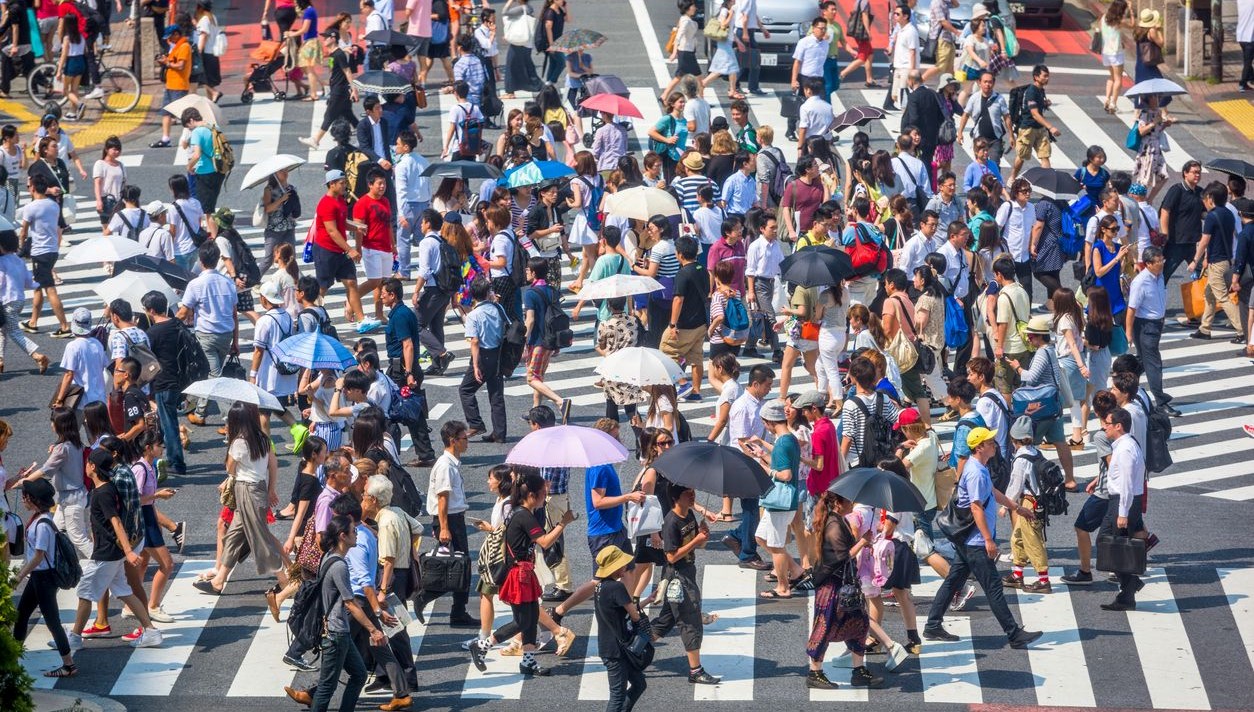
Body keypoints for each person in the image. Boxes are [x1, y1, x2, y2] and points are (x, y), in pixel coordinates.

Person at [922, 427, 1041, 648]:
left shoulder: (979, 467)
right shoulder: (976, 471)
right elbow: (976, 508)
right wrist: (988, 540)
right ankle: (1013, 634)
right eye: (990, 442)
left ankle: (932, 625)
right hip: (975, 542)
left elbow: (992, 492)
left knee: (953, 581)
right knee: (993, 586)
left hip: (968, 541)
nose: (994, 444)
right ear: (980, 447)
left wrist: (1016, 507)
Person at [468, 468, 574, 677]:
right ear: (532, 495)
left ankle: (528, 661)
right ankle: (483, 645)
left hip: (522, 571)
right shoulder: (524, 516)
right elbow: (544, 542)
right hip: (518, 574)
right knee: (523, 621)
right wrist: (564, 522)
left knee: (532, 615)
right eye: (543, 494)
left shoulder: (523, 511)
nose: (546, 497)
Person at [65, 449, 164, 651]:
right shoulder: (106, 489)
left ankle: (74, 637)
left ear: (93, 467)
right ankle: (151, 631)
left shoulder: (103, 493)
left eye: (87, 462)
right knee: (124, 592)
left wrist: (128, 550)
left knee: (85, 593)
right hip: (113, 552)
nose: (85, 465)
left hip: (107, 553)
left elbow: (116, 522)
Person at [805, 490, 885, 689]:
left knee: (861, 624)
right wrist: (863, 542)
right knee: (824, 627)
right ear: (838, 504)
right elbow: (840, 557)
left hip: (845, 584)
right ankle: (815, 673)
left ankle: (858, 671)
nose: (852, 503)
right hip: (831, 586)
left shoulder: (838, 520)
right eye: (848, 500)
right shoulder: (833, 524)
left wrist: (864, 542)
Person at [651, 481, 722, 685]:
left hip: (688, 573)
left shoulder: (689, 515)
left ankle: (633, 648)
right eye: (688, 493)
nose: (692, 496)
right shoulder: (671, 522)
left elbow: (697, 545)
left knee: (666, 620)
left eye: (693, 492)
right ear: (676, 498)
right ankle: (695, 670)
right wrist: (696, 540)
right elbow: (671, 556)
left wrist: (703, 535)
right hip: (678, 579)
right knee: (690, 621)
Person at [306, 514, 375, 712]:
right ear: (343, 536)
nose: (357, 535)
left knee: (359, 674)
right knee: (327, 686)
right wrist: (373, 630)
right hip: (335, 633)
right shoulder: (339, 566)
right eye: (354, 532)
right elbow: (351, 603)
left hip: (337, 631)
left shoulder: (328, 557)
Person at [11, 478, 78, 677]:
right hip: (38, 577)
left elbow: (39, 555)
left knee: (52, 622)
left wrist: (19, 576)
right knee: (22, 615)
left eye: (25, 496)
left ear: (33, 500)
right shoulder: (40, 519)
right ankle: (12, 658)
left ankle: (69, 665)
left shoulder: (42, 525)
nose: (23, 500)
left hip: (44, 578)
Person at [417, 421, 480, 627]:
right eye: (464, 439)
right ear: (453, 441)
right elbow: (442, 498)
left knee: (460, 565)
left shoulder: (451, 464)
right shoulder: (445, 466)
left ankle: (458, 611)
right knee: (454, 566)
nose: (467, 442)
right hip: (448, 521)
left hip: (455, 518)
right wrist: (444, 528)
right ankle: (425, 596)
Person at [178, 241, 239, 426]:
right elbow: (234, 314)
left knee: (215, 376)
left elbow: (183, 312)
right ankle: (201, 412)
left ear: (201, 260)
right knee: (214, 374)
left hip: (206, 335)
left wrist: (170, 322)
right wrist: (235, 341)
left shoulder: (196, 284)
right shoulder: (228, 282)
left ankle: (229, 420)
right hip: (226, 334)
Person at [722, 364, 774, 570]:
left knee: (756, 508)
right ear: (755, 384)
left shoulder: (758, 403)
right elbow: (742, 440)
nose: (770, 389)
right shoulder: (743, 406)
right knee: (752, 508)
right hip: (744, 462)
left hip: (754, 460)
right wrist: (762, 460)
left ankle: (736, 536)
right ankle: (747, 554)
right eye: (767, 385)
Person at [1096, 407, 1147, 610]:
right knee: (1113, 544)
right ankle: (1127, 593)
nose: (1104, 427)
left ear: (1118, 426)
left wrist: (1123, 513)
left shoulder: (1125, 448)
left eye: (1107, 423)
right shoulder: (1126, 444)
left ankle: (1129, 584)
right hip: (1124, 500)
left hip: (1122, 502)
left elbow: (1126, 482)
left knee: (1109, 543)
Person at [593, 545, 648, 711]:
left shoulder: (600, 587)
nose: (625, 566)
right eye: (622, 563)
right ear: (615, 566)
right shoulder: (617, 587)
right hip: (618, 650)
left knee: (639, 684)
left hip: (609, 646)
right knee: (617, 697)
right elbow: (634, 614)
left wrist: (648, 601)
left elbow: (621, 610)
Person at [1189, 183, 1245, 343]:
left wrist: (1195, 261)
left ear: (1210, 199)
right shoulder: (1228, 213)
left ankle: (1242, 330)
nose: (1204, 202)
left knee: (1223, 297)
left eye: (1205, 199)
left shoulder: (1212, 216)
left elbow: (1204, 240)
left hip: (1217, 262)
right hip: (1225, 260)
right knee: (1209, 294)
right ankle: (1205, 328)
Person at [17, 174, 69, 337]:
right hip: (52, 250)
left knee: (50, 289)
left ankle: (65, 326)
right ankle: (33, 322)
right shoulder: (53, 205)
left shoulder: (31, 207)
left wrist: (20, 247)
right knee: (38, 288)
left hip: (40, 252)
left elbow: (23, 232)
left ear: (32, 187)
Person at [662, 236, 709, 400]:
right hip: (701, 321)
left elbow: (678, 299)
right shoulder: (702, 269)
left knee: (666, 351)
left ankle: (683, 383)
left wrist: (672, 324)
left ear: (680, 254)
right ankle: (696, 391)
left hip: (685, 324)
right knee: (696, 357)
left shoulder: (682, 273)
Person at [460, 277, 507, 442]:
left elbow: (474, 341)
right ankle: (500, 433)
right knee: (496, 394)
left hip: (482, 355)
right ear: (488, 293)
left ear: (473, 296)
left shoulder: (473, 315)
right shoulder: (498, 308)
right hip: (498, 354)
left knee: (465, 390)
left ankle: (475, 423)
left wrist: (475, 366)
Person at [522, 257, 569, 416]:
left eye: (528, 270)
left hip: (538, 341)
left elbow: (530, 320)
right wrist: (556, 344)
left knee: (531, 378)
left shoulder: (530, 293)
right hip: (551, 340)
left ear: (534, 273)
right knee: (538, 378)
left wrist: (524, 340)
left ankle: (559, 401)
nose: (526, 272)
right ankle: (536, 411)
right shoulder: (552, 289)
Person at [1009, 65, 1061, 182]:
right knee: (1022, 156)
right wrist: (1050, 127)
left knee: (1045, 155)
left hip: (1040, 129)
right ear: (1036, 77)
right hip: (1028, 128)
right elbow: (1035, 114)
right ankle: (1012, 178)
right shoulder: (1031, 91)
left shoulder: (1040, 90)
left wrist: (1044, 103)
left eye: (1048, 76)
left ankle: (1046, 182)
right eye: (1045, 76)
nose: (1047, 78)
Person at [52, 307, 107, 411]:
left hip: (81, 400)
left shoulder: (73, 346)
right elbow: (104, 365)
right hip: (99, 398)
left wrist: (59, 400)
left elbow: (69, 375)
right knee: (96, 427)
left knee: (69, 427)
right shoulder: (98, 344)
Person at [1158, 160, 1204, 283]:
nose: (1197, 175)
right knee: (1164, 275)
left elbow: (1204, 213)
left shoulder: (1200, 192)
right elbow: (1165, 211)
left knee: (1202, 274)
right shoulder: (1177, 190)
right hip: (1176, 242)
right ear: (1185, 173)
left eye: (1199, 173)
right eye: (1194, 172)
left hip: (1194, 242)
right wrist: (1165, 234)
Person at [956, 72, 1011, 166]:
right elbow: (965, 115)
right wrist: (960, 133)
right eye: (985, 82)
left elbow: (1006, 117)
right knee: (980, 165)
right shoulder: (974, 98)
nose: (987, 84)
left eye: (990, 82)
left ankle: (994, 180)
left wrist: (1011, 135)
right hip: (979, 139)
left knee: (995, 165)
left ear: (993, 83)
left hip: (995, 138)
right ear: (979, 83)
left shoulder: (1000, 99)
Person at [150, 25, 192, 148]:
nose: (169, 40)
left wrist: (167, 63)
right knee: (166, 112)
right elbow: (172, 62)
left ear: (176, 34)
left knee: (182, 115)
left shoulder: (184, 47)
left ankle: (189, 137)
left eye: (170, 37)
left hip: (179, 85)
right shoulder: (175, 47)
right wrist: (164, 60)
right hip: (170, 84)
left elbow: (180, 66)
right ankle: (165, 138)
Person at [702, 0, 742, 100]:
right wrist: (731, 14)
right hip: (724, 43)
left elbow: (731, 30)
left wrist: (738, 42)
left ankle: (732, 90)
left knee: (729, 68)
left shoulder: (727, 10)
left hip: (727, 42)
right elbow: (723, 25)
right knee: (726, 68)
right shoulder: (725, 11)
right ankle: (703, 83)